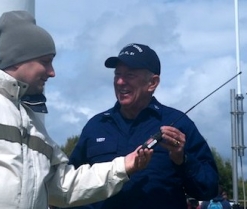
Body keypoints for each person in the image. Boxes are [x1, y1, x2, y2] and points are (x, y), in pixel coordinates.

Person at [0, 12, 153, 209]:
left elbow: (63, 186)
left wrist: (125, 165)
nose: (52, 72)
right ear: (18, 59)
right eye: (46, 62)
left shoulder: (34, 123)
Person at [64, 43, 219, 209]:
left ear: (152, 83)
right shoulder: (96, 125)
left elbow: (208, 189)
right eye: (117, 74)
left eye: (130, 75)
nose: (120, 82)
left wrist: (182, 160)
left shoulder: (179, 124)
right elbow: (69, 186)